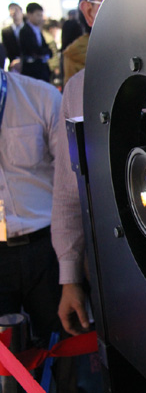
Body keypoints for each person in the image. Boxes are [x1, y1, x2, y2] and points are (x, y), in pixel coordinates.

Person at [52, 0, 146, 337]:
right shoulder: (77, 89)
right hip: (108, 262)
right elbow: (68, 190)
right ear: (89, 13)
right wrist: (70, 278)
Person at [0, 69, 62, 372]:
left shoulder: (41, 97)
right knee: (5, 362)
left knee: (62, 343)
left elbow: (71, 179)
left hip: (46, 246)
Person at [19, 3, 52, 82]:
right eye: (38, 15)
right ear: (29, 15)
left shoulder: (38, 29)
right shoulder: (24, 31)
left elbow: (45, 47)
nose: (40, 18)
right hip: (32, 70)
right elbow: (33, 49)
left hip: (42, 69)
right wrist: (43, 52)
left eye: (41, 15)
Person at [1, 3, 24, 71]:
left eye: (16, 10)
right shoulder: (6, 31)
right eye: (12, 11)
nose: (14, 13)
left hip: (28, 63)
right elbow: (6, 49)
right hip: (13, 64)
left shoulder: (29, 29)